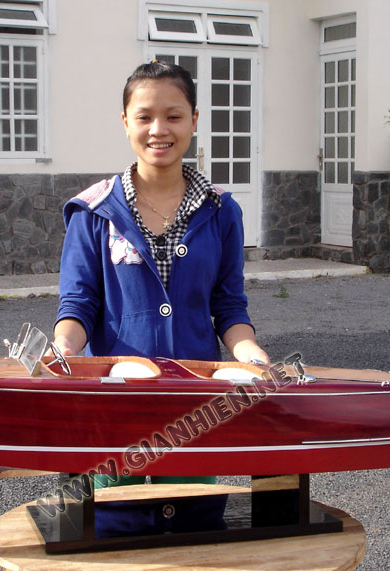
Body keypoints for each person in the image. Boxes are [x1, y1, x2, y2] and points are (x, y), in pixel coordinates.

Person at [53, 61, 269, 494]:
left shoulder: (223, 211)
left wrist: (251, 354)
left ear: (193, 120)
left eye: (173, 116)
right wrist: (62, 351)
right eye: (145, 116)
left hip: (193, 408)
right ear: (125, 122)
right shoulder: (93, 211)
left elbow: (228, 306)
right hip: (114, 403)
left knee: (191, 523)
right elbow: (78, 303)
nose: (159, 130)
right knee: (110, 526)